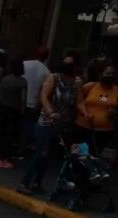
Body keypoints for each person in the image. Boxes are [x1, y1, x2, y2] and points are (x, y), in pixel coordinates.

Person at [18, 53, 83, 194]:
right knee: (41, 152)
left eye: (70, 64)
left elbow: (79, 101)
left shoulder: (77, 82)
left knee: (48, 156)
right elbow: (44, 96)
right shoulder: (53, 78)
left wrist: (86, 113)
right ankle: (24, 183)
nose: (67, 67)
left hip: (61, 124)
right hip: (46, 122)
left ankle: (37, 183)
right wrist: (50, 111)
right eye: (65, 64)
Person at [75, 61, 118, 156]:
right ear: (101, 74)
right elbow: (79, 101)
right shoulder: (90, 86)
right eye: (108, 73)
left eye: (112, 74)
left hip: (104, 132)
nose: (110, 76)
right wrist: (85, 112)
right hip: (84, 127)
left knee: (93, 156)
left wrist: (114, 112)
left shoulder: (116, 91)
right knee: (80, 155)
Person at [0, 58, 27, 167]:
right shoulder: (22, 81)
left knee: (0, 132)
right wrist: (22, 112)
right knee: (10, 135)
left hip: (3, 108)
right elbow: (23, 99)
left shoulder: (5, 79)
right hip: (14, 110)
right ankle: (5, 159)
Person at [23, 46, 51, 144]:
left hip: (21, 100)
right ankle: (24, 145)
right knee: (29, 126)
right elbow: (43, 91)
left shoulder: (24, 64)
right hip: (34, 103)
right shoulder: (47, 72)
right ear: (46, 57)